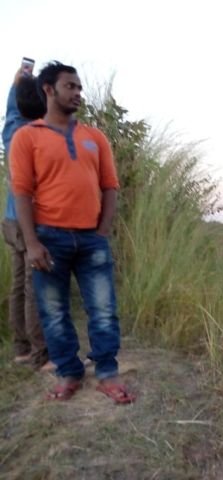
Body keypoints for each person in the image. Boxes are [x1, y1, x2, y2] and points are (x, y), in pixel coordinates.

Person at [9, 61, 135, 404]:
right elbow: (22, 193)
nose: (78, 93)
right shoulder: (27, 137)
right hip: (49, 239)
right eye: (70, 86)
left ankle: (107, 372)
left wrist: (102, 231)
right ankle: (69, 372)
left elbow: (110, 186)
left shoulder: (94, 137)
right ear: (48, 89)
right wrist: (32, 243)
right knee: (53, 311)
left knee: (103, 308)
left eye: (79, 87)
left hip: (92, 239)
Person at [1, 65, 54, 372]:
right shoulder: (36, 137)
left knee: (18, 283)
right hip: (29, 219)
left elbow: (13, 106)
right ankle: (40, 354)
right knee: (35, 287)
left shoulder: (11, 129)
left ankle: (21, 349)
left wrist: (17, 83)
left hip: (10, 220)